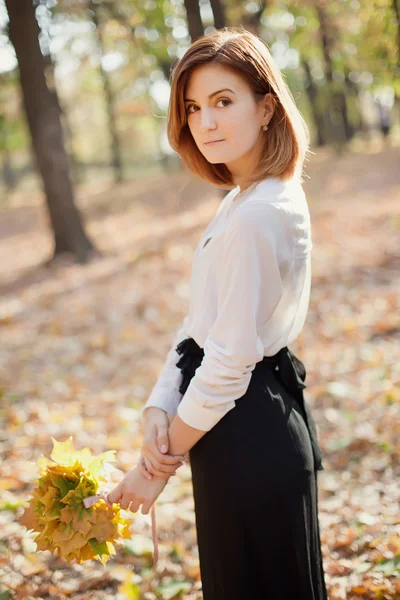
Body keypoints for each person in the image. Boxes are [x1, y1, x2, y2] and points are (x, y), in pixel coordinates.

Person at [108, 26, 328, 600]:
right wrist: (160, 402)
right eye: (193, 107)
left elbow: (228, 359)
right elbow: (199, 324)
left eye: (223, 102)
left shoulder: (259, 214)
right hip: (235, 428)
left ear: (267, 107)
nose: (204, 123)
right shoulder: (244, 199)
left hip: (247, 433)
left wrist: (154, 469)